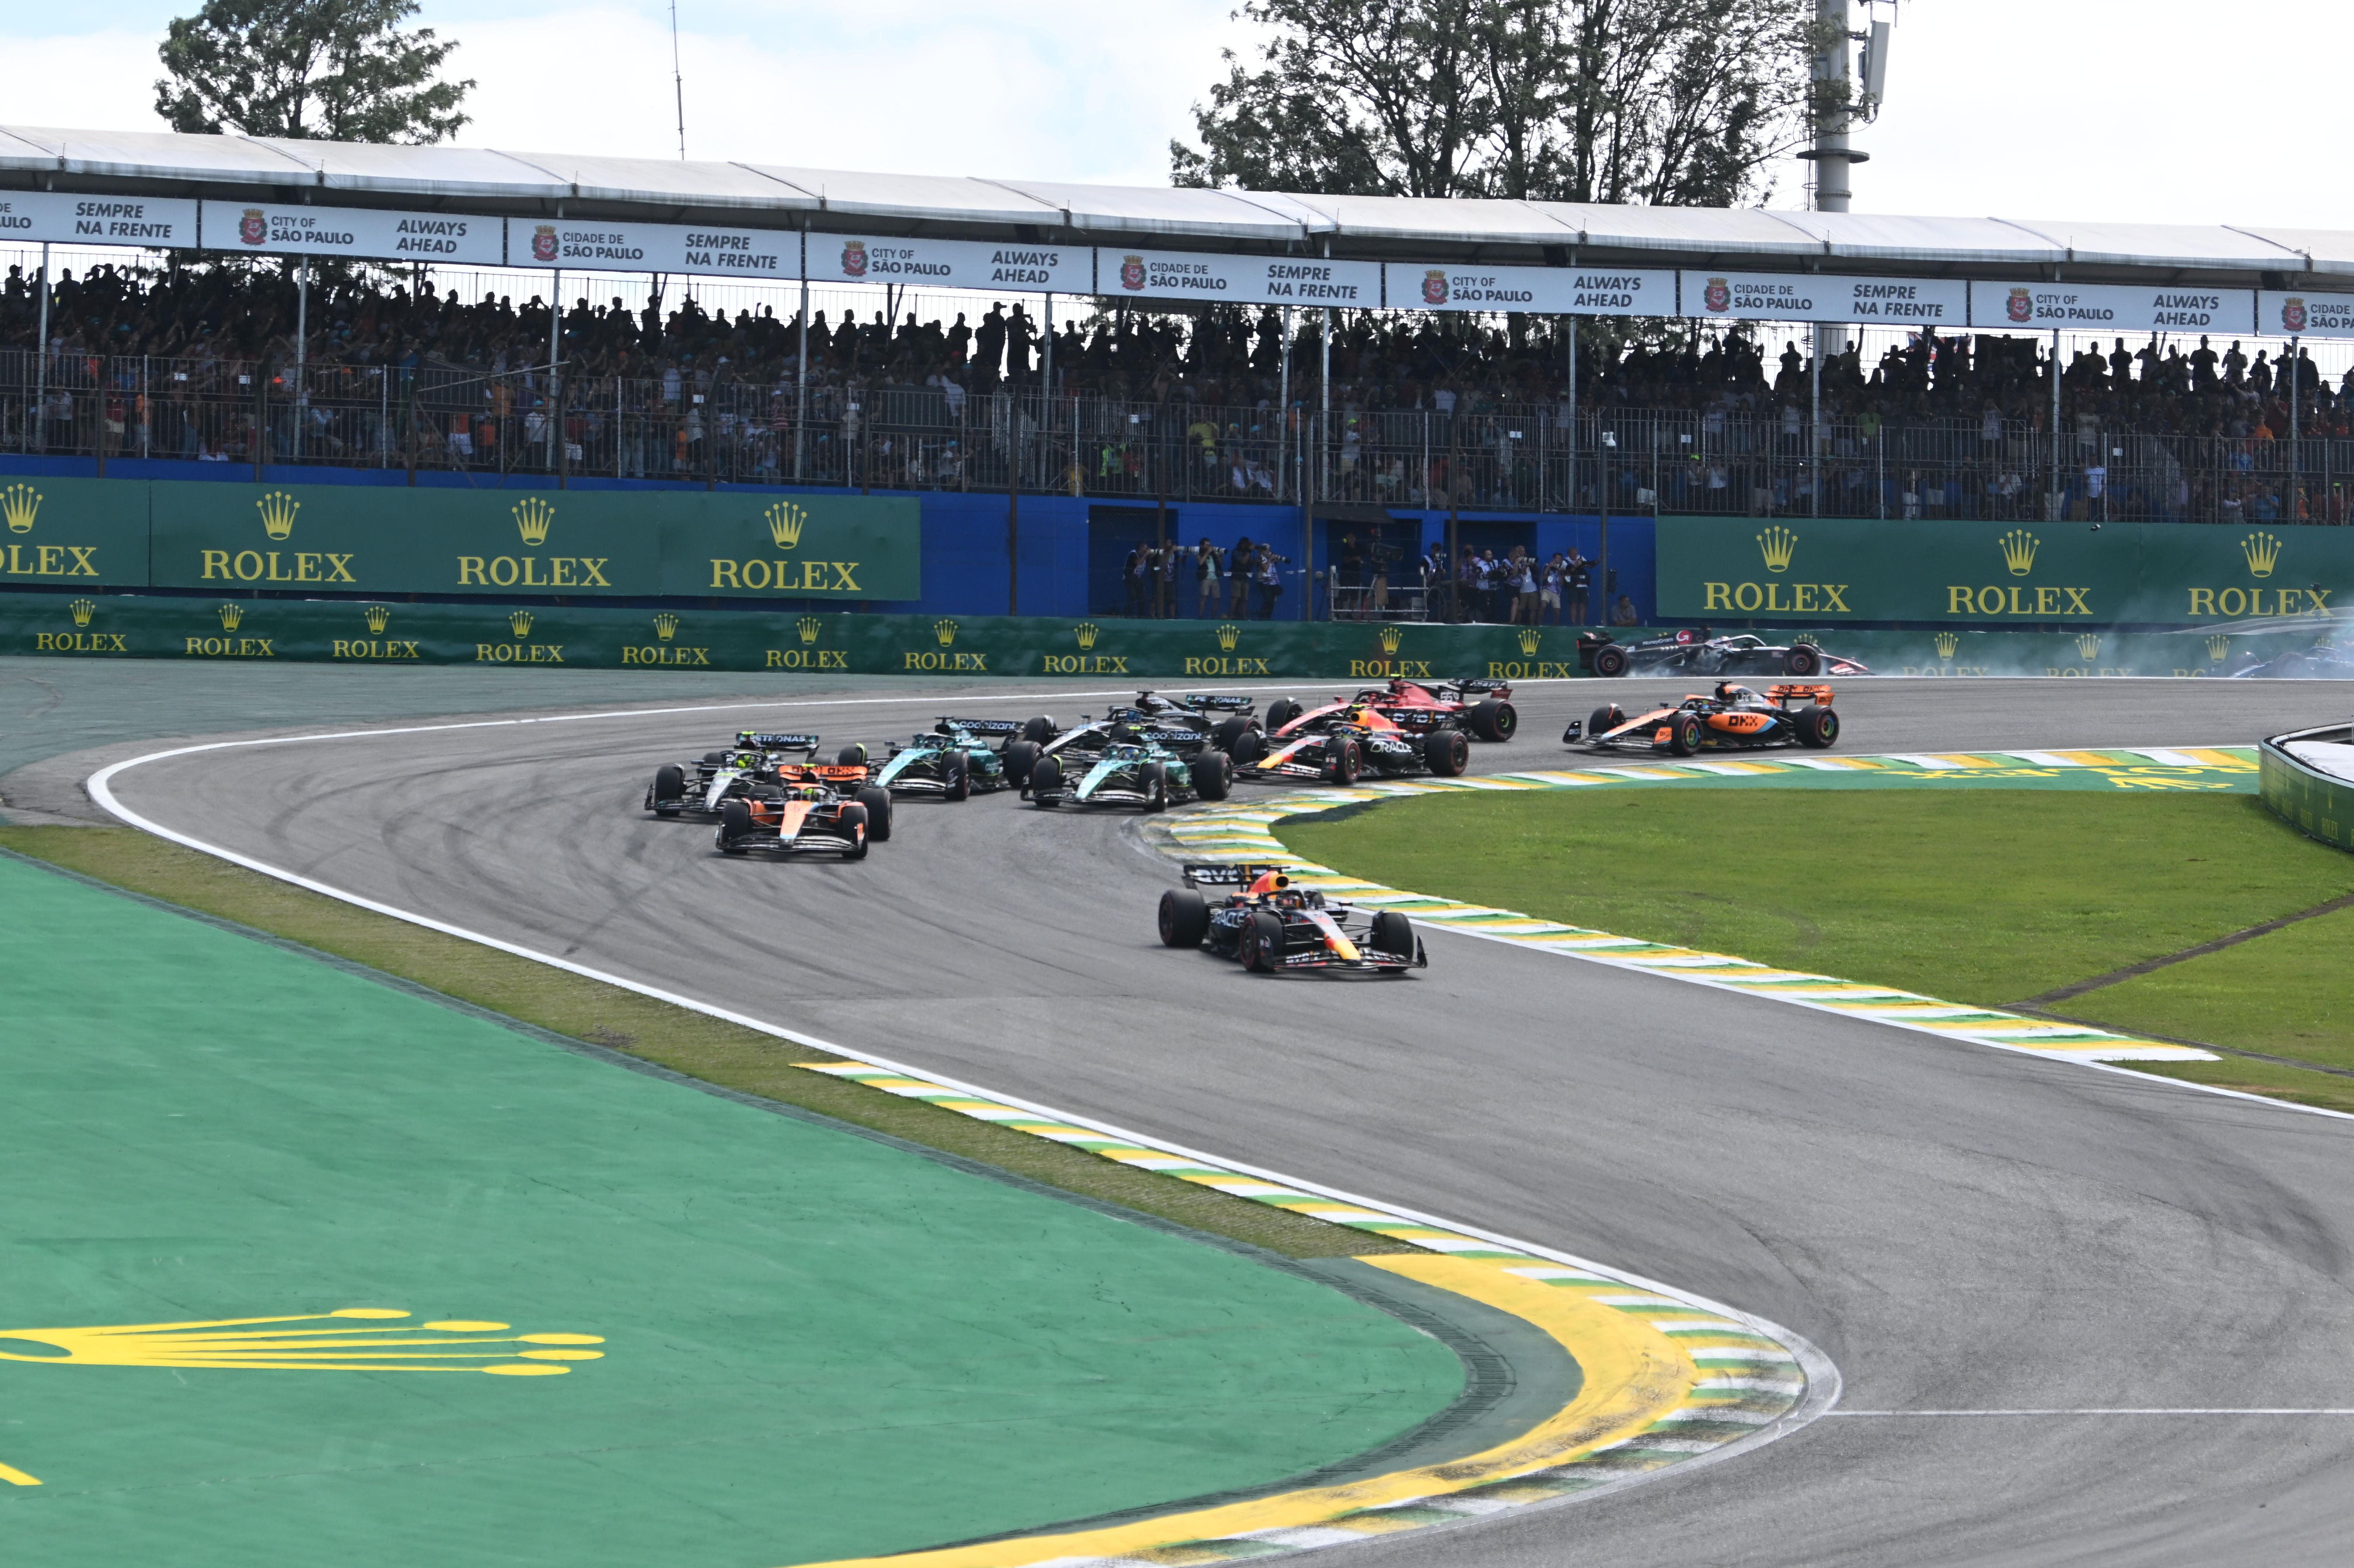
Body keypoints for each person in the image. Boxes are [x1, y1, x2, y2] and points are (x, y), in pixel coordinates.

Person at [1194, 537, 1222, 619]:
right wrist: (1207, 553)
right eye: (1207, 545)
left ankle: (1213, 617)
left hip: (1215, 577)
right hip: (1205, 577)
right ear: (1202, 546)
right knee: (1204, 597)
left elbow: (1220, 564)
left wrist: (1219, 556)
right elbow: (1201, 563)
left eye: (1209, 545)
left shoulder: (1213, 554)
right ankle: (1200, 616)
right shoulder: (1198, 553)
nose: (1209, 547)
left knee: (1217, 598)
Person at [1228, 538, 1256, 619]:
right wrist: (1250, 551)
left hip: (1245, 577)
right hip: (1236, 577)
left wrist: (1259, 556)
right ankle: (1232, 615)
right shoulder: (1236, 551)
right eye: (1247, 544)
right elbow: (1243, 561)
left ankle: (1245, 618)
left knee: (1244, 599)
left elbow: (1251, 564)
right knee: (1236, 597)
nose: (1249, 545)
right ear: (1243, 544)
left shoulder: (1247, 553)